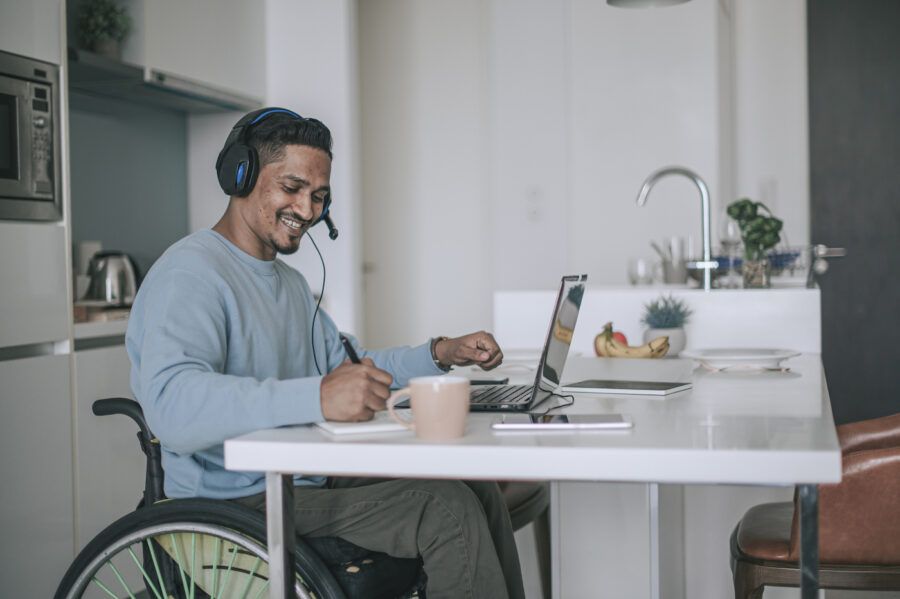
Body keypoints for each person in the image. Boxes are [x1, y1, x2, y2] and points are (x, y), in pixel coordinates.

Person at [125, 107, 525, 599]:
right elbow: (172, 406)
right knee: (442, 508)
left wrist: (440, 353)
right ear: (241, 174)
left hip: (298, 482)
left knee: (475, 486)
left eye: (318, 196)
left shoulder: (289, 285)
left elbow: (351, 371)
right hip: (234, 503)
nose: (308, 210)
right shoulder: (189, 274)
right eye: (291, 188)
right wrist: (317, 397)